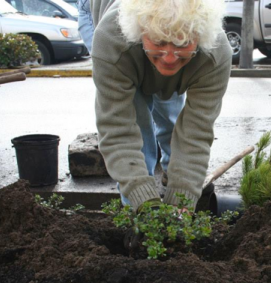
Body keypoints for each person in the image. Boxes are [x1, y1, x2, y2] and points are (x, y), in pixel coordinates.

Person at [90, 0, 232, 213]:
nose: (169, 58)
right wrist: (143, 201)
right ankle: (138, 216)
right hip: (129, 56)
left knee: (171, 121)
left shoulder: (215, 54)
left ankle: (172, 182)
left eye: (182, 43)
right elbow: (117, 131)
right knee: (142, 130)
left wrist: (183, 196)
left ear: (199, 37)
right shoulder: (111, 40)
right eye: (158, 41)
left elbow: (196, 132)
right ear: (141, 30)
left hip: (184, 59)